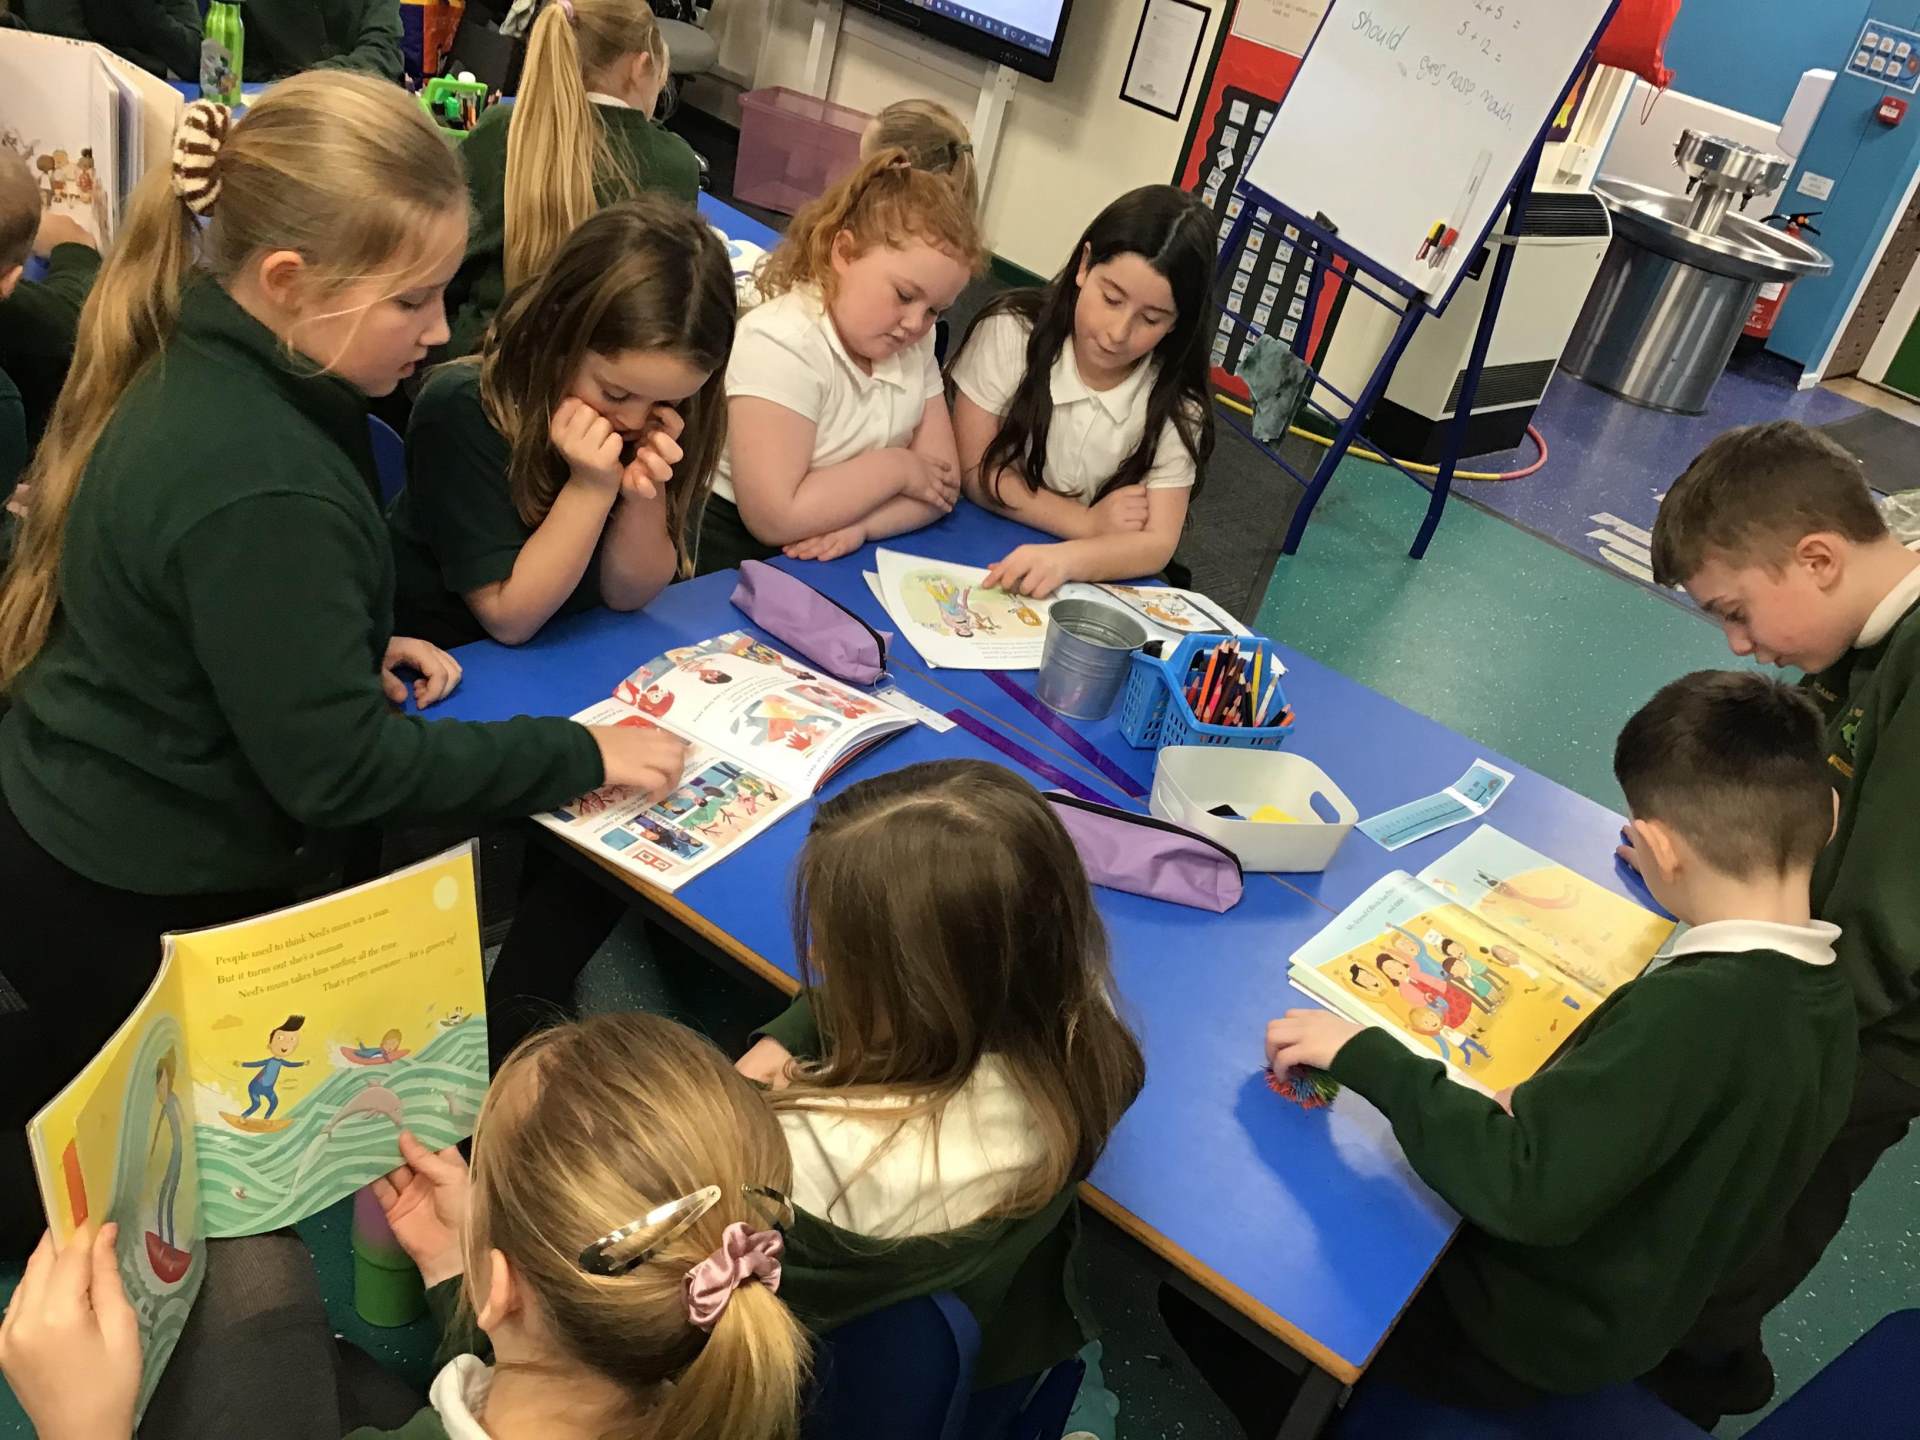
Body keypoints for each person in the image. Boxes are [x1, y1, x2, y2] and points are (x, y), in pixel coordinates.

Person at [0, 79, 685, 1259]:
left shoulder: (218, 355)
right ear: (288, 282)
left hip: (76, 823)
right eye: (412, 299)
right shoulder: (263, 475)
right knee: (132, 1174)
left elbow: (205, 602)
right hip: (131, 884)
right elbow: (339, 773)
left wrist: (340, 643)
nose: (440, 329)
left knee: (86, 1085)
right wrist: (579, 753)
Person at [1262, 670, 1854, 1414]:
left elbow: (1521, 1188)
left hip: (1519, 1333)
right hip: (1634, 1310)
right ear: (1828, 817)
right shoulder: (1828, 999)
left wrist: (1365, 1054)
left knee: (1256, 1288)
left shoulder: (1697, 1013)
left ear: (1661, 847)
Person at [0, 1014, 812, 1440]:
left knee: (249, 1266)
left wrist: (82, 1431)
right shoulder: (733, 1382)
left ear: (503, 1287)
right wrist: (464, 1276)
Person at [1639, 420, 1920, 1425]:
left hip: (1861, 1035)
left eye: (1737, 611)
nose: (1738, 643)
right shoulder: (1863, 636)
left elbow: (1891, 934)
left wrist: (1749, 1029)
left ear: (1818, 557)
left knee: (1764, 1209)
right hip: (1818, 988)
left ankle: (1688, 1378)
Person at [736, 760, 1146, 1390]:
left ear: (918, 989)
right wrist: (793, 1034)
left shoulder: (811, 1158)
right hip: (1007, 1335)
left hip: (823, 1377)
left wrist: (742, 1100)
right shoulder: (1086, 1032)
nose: (814, 954)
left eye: (838, 945)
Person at [390, 197, 734, 648]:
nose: (634, 420)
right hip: (453, 659)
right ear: (556, 334)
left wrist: (643, 496)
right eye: (615, 394)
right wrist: (590, 488)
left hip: (573, 650)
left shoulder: (666, 415)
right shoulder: (462, 408)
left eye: (668, 400)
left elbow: (628, 595)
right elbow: (509, 620)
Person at [697, 149, 983, 574]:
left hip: (837, 545)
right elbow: (774, 517)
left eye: (935, 311)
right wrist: (899, 468)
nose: (915, 324)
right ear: (844, 253)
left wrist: (863, 527)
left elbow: (942, 488)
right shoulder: (783, 342)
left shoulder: (914, 342)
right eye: (905, 295)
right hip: (727, 552)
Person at [949, 185, 1215, 598]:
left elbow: (1158, 545)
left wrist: (1068, 559)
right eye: (1111, 299)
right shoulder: (1009, 332)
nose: (1118, 332)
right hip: (975, 541)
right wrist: (1087, 524)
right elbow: (976, 471)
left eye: (1150, 319)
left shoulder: (1177, 407)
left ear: (1177, 323)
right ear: (1085, 265)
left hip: (1087, 577)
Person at [442, 0, 698, 360]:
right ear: (640, 66)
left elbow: (449, 268)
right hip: (602, 375)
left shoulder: (502, 130)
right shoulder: (677, 164)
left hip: (478, 360)